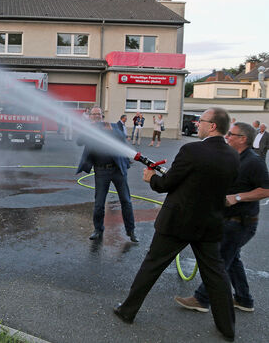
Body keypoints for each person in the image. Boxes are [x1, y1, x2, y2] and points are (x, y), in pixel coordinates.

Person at [113, 107, 239, 342]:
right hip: (210, 224)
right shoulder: (232, 155)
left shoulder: (192, 150)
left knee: (152, 266)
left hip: (178, 223)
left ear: (212, 126)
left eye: (201, 121)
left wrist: (152, 178)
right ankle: (227, 328)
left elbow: (166, 184)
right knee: (216, 275)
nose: (197, 125)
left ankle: (127, 311)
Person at [175, 121, 269, 314]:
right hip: (226, 219)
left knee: (219, 262)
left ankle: (202, 299)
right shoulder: (233, 158)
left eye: (231, 135)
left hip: (241, 223)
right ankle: (244, 299)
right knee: (232, 260)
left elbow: (266, 190)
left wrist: (237, 197)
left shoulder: (254, 162)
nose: (227, 137)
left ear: (243, 139)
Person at [76, 107, 137, 242]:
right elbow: (79, 141)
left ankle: (131, 231)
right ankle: (98, 230)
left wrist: (110, 131)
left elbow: (122, 139)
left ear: (102, 115)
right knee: (99, 203)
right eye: (94, 114)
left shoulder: (113, 126)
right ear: (90, 116)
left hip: (117, 170)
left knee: (126, 200)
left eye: (99, 114)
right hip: (101, 170)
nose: (97, 116)